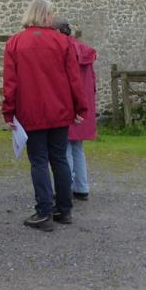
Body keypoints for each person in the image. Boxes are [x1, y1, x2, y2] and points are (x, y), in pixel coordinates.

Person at [2, 0, 87, 232]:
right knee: (59, 158)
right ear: (47, 16)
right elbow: (74, 79)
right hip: (59, 109)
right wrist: (80, 107)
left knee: (39, 160)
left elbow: (11, 82)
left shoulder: (15, 42)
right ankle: (64, 209)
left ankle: (44, 211)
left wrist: (8, 111)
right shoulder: (63, 42)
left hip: (31, 110)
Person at [53, 17, 98, 201]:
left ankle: (67, 187)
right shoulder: (85, 51)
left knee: (65, 148)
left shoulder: (63, 50)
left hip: (69, 103)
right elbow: (93, 81)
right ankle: (82, 186)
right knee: (77, 146)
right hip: (84, 103)